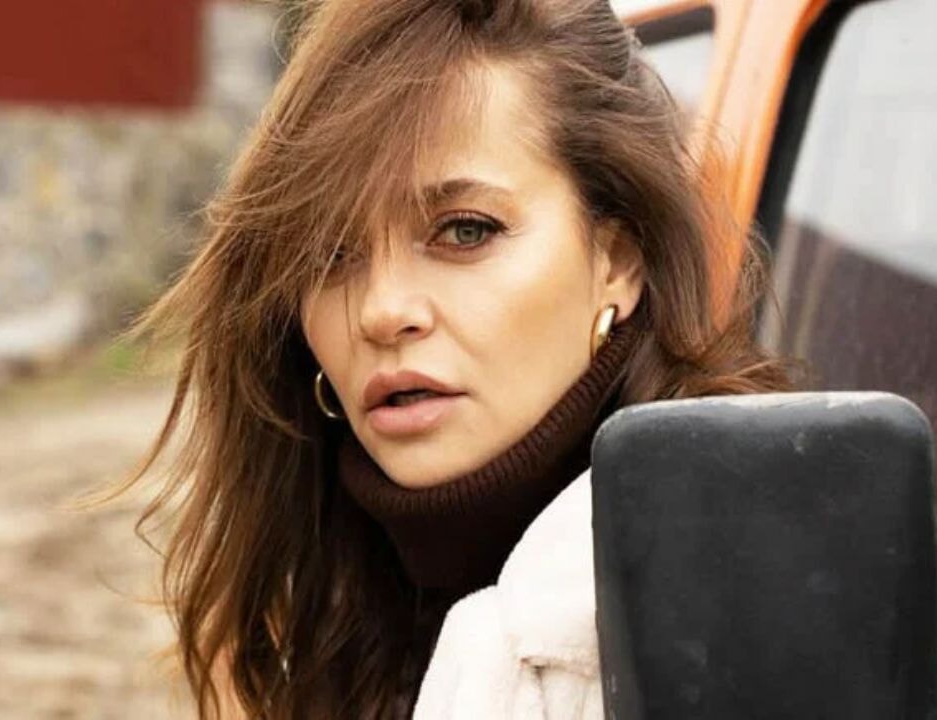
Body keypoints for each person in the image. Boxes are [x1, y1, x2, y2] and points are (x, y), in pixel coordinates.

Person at [124, 0, 787, 717]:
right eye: (329, 251)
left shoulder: (750, 588)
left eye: (465, 231)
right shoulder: (297, 619)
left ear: (617, 262)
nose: (381, 311)